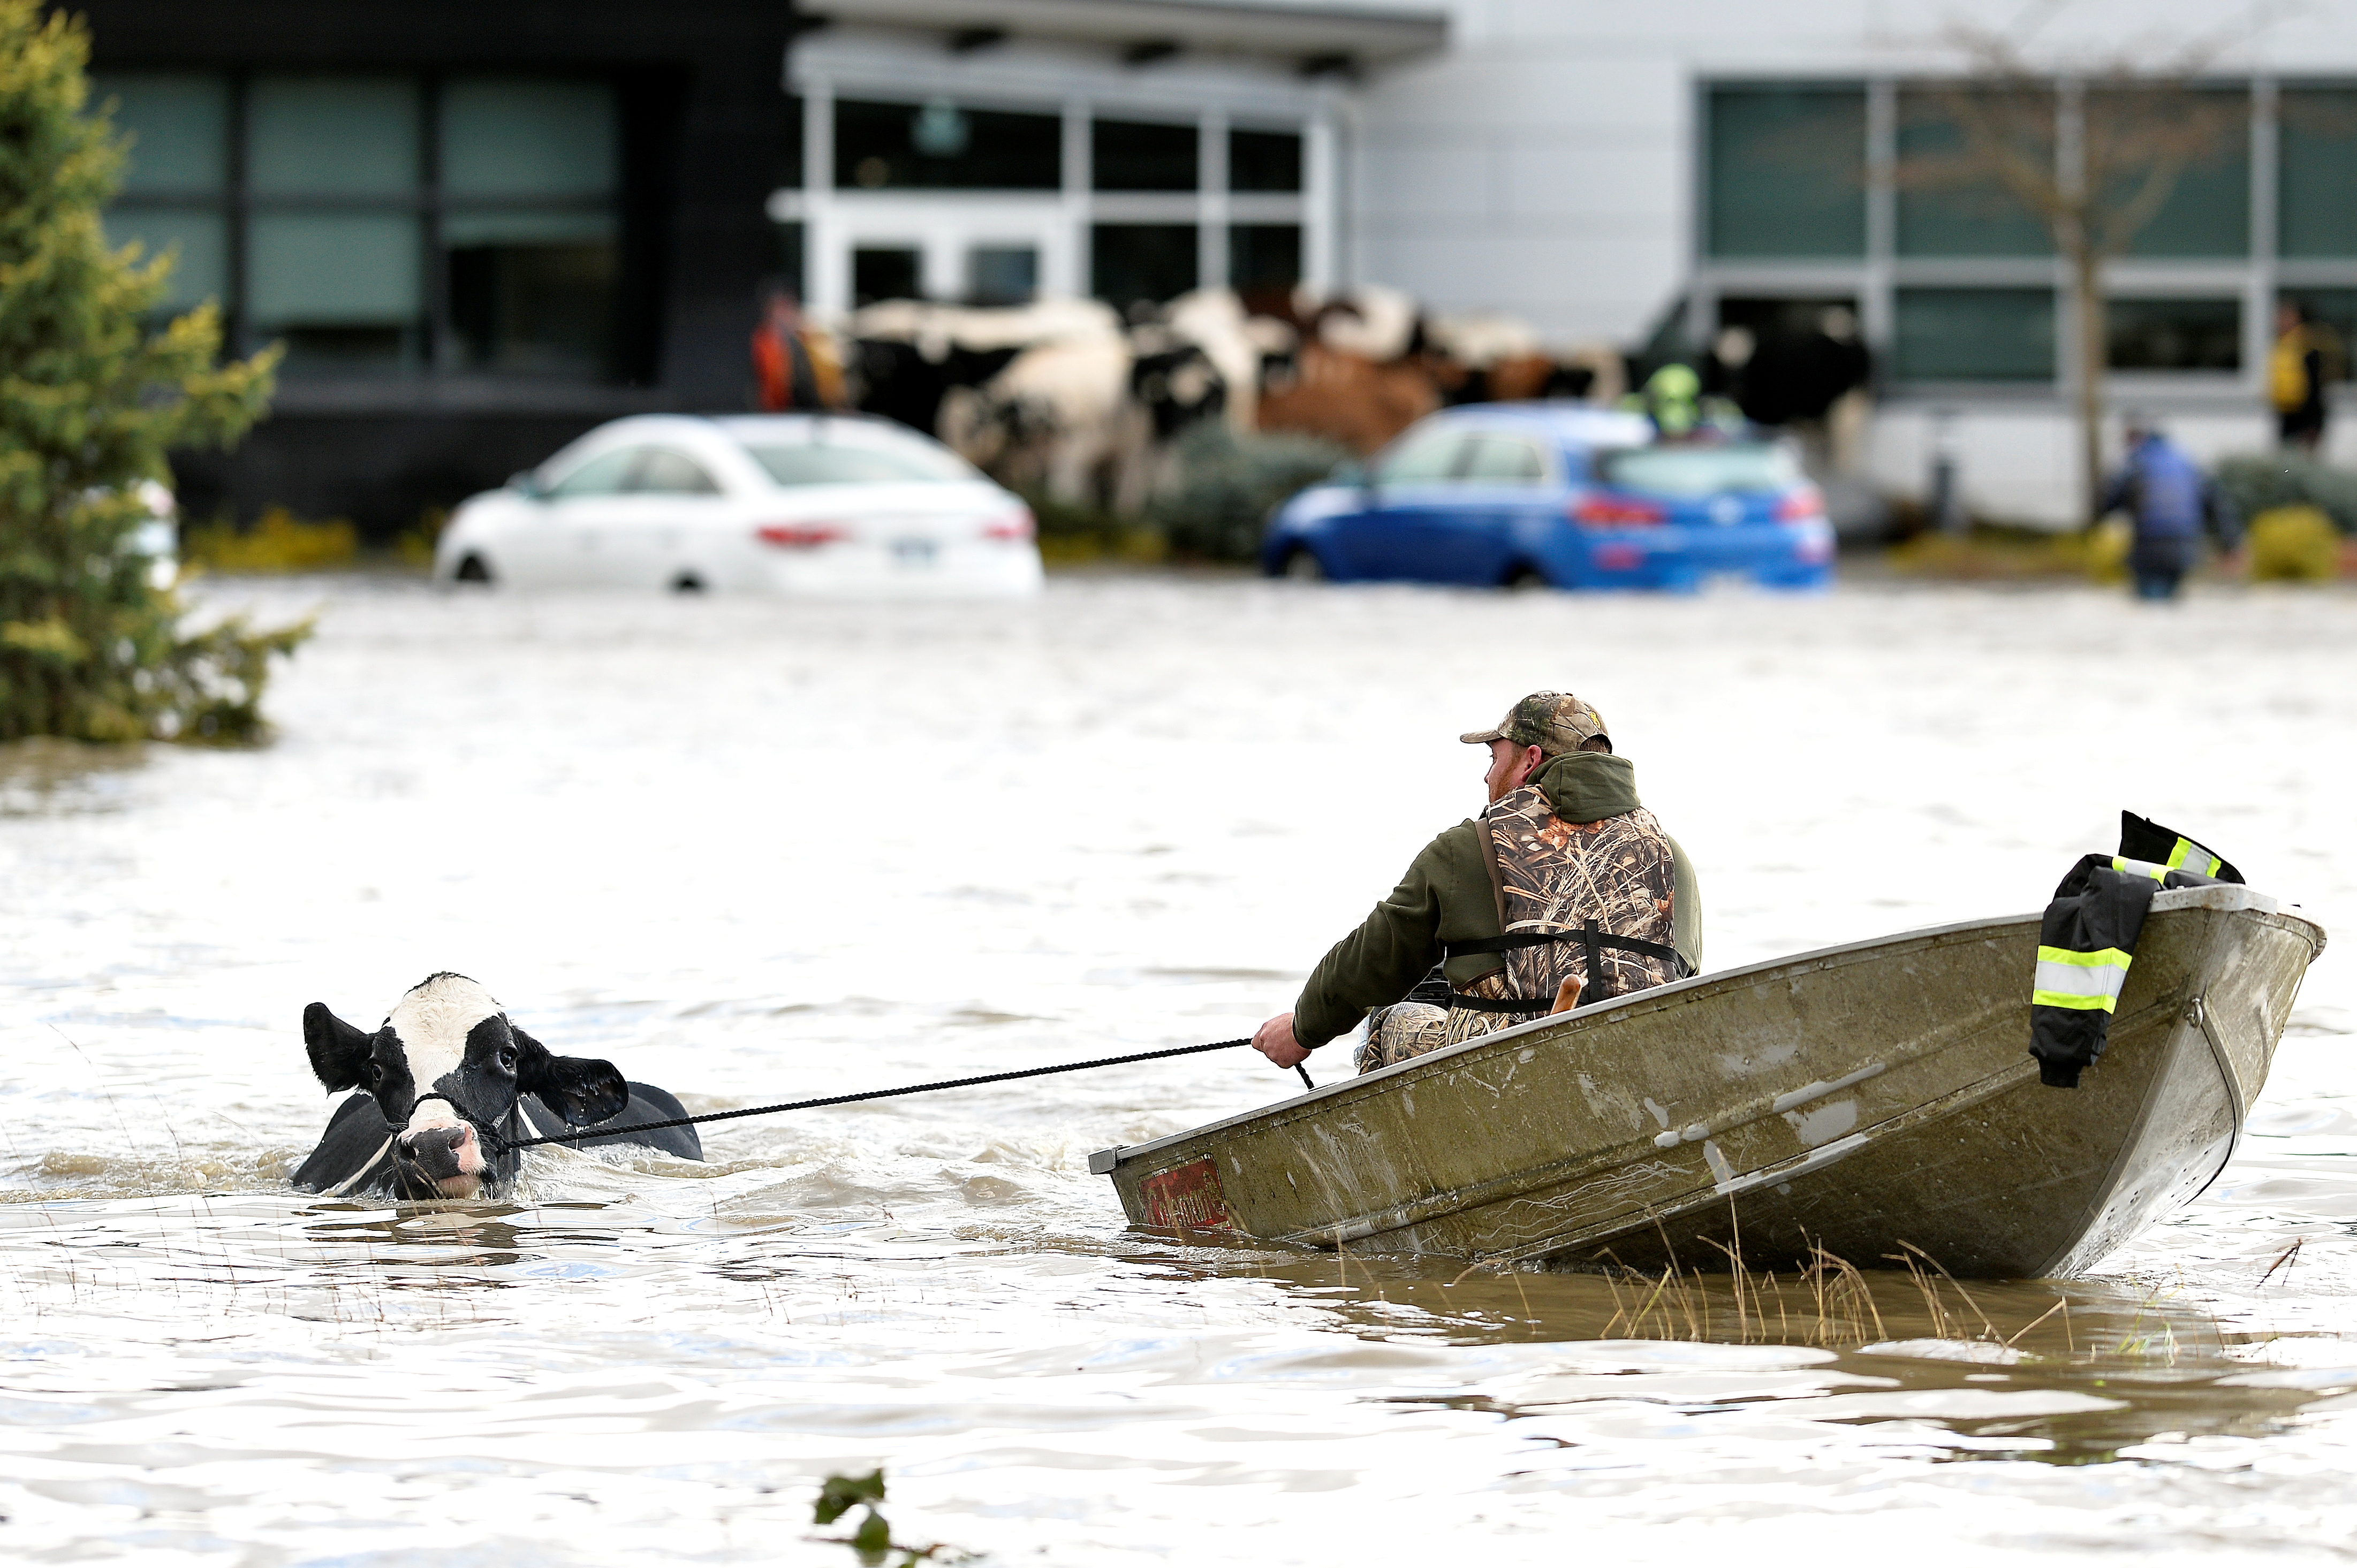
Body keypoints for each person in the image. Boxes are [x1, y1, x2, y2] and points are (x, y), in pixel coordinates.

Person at [1251, 692, 1702, 1078]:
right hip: (1638, 1057)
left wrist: (1302, 1030)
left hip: (1503, 1067)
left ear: (1530, 761)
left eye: (1493, 759)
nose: (1486, 776)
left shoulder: (1470, 846)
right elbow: (1685, 972)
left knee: (1388, 1021)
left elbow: (1376, 957)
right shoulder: (1668, 853)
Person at [2095, 418, 2240, 603]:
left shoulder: (2137, 463)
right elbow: (2216, 504)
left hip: (2149, 546)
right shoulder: (2187, 463)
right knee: (2170, 601)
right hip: (2186, 545)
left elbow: (2111, 500)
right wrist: (2230, 544)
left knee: (2150, 603)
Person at [750, 282, 846, 413]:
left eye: (786, 307)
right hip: (780, 410)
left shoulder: (809, 335)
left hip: (811, 408)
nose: (783, 314)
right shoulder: (765, 339)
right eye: (779, 308)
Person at [2271, 299, 2328, 453]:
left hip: (2306, 416)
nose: (2280, 321)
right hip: (2288, 414)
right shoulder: (2283, 345)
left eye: (2285, 317)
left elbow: (2315, 386)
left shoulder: (2306, 344)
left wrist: (2313, 423)